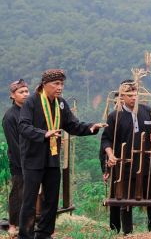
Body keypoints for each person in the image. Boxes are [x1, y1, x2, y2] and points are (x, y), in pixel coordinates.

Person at [18, 69, 107, 239]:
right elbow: (23, 127)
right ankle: (25, 235)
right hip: (33, 158)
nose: (60, 87)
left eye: (62, 84)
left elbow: (73, 125)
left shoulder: (61, 103)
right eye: (56, 84)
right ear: (45, 84)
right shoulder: (31, 102)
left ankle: (44, 233)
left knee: (51, 199)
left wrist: (91, 127)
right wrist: (44, 134)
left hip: (52, 157)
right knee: (29, 201)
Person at [101, 79, 151, 235]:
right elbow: (106, 139)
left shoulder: (148, 111)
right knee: (123, 201)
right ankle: (125, 233)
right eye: (129, 95)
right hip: (125, 166)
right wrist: (110, 154)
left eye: (135, 94)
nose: (133, 98)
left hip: (148, 164)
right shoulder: (115, 116)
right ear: (122, 97)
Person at [2, 79, 29, 236]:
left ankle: (28, 223)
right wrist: (23, 163)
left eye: (26, 91)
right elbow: (14, 144)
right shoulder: (10, 116)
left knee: (31, 193)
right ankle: (13, 224)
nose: (25, 94)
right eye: (21, 92)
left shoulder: (29, 111)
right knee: (18, 192)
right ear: (13, 95)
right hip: (19, 161)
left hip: (33, 159)